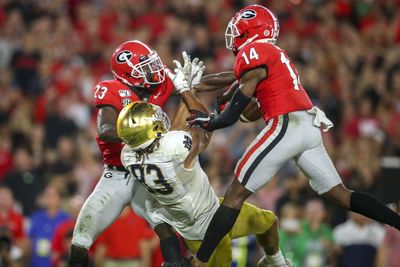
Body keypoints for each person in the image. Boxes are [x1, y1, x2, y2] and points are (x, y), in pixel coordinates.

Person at [182, 5, 400, 266]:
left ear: (250, 30)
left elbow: (231, 114)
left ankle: (200, 260)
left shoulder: (255, 52)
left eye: (237, 30)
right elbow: (234, 80)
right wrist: (197, 84)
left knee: (235, 194)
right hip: (307, 125)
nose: (233, 36)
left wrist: (210, 122)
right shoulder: (270, 53)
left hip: (287, 124)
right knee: (340, 194)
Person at [69, 39, 235, 267]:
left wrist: (243, 73)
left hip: (149, 166)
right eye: (144, 67)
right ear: (128, 74)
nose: (154, 70)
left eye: (151, 63)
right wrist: (139, 133)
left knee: (162, 220)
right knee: (80, 239)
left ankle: (175, 261)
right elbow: (105, 129)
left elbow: (203, 84)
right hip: (118, 173)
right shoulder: (113, 90)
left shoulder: (158, 83)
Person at [118, 95, 291, 266]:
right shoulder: (172, 151)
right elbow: (201, 136)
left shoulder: (127, 155)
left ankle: (275, 263)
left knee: (268, 222)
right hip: (201, 232)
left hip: (215, 209)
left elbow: (172, 135)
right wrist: (189, 94)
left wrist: (189, 91)